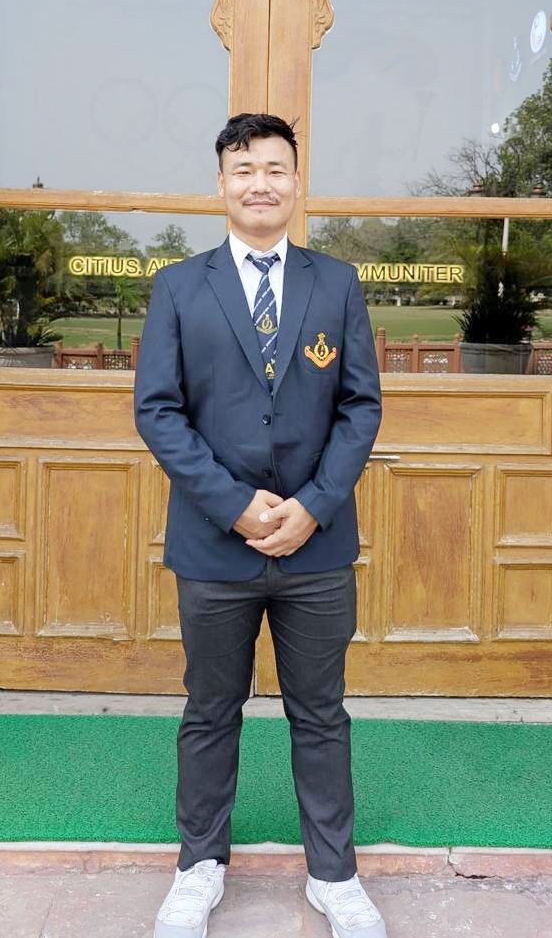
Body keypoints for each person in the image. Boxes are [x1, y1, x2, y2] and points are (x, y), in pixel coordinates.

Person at [133, 113, 386, 938]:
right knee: (210, 711)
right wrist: (234, 504)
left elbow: (359, 407)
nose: (260, 184)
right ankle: (198, 866)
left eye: (275, 169)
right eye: (243, 170)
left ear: (296, 182)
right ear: (221, 184)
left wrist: (313, 504)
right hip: (215, 545)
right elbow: (158, 411)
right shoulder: (179, 286)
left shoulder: (335, 283)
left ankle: (334, 875)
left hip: (317, 546)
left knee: (321, 714)